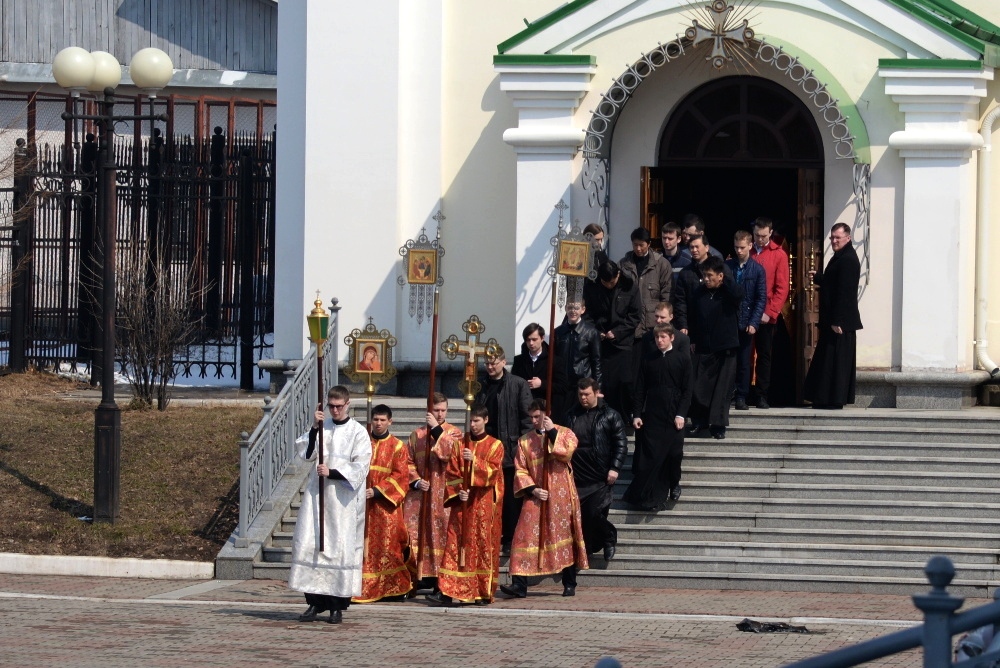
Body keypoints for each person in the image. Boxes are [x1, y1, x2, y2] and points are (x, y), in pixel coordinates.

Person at [288, 385, 371, 624]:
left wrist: (333, 472)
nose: (334, 410)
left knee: (339, 549)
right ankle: (314, 603)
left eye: (339, 406)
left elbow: (361, 466)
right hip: (318, 497)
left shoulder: (357, 432)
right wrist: (315, 427)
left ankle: (336, 607)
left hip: (342, 502)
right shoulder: (323, 427)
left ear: (347, 404)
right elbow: (306, 454)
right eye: (331, 406)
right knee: (313, 545)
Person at [500, 400, 589, 598]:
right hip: (536, 495)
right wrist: (533, 489)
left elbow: (567, 453)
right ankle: (519, 585)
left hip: (561, 495)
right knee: (522, 536)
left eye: (537, 416)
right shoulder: (525, 441)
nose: (533, 421)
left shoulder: (565, 432)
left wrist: (552, 433)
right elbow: (521, 469)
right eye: (531, 417)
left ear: (546, 413)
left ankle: (569, 583)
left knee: (563, 536)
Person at [428, 405, 504, 606]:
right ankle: (447, 591)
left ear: (485, 420)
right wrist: (458, 491)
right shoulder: (459, 445)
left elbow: (493, 473)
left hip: (483, 504)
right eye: (470, 421)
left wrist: (475, 461)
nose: (473, 425)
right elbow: (452, 472)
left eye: (477, 421)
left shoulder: (495, 445)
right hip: (462, 503)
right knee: (454, 544)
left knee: (481, 545)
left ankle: (481, 591)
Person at [623, 323, 692, 510]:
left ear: (672, 338)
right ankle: (648, 497)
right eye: (657, 338)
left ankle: (674, 483)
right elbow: (640, 389)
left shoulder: (683, 359)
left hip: (674, 414)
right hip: (653, 413)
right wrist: (637, 414)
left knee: (674, 453)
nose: (659, 341)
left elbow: (687, 391)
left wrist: (681, 415)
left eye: (663, 337)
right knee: (652, 456)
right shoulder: (648, 359)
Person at [354, 404, 412, 603]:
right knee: (363, 547)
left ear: (390, 422)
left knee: (389, 546)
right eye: (375, 420)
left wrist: (377, 491)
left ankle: (394, 588)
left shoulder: (398, 446)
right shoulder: (362, 443)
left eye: (382, 420)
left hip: (386, 506)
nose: (378, 423)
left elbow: (401, 476)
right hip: (362, 505)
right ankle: (362, 585)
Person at [404, 392, 462, 593]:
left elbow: (452, 454)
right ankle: (422, 574)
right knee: (418, 534)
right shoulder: (416, 435)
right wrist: (416, 481)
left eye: (443, 410)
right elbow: (407, 462)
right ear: (429, 410)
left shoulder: (454, 432)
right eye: (436, 410)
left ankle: (441, 577)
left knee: (441, 534)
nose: (440, 414)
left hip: (443, 493)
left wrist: (437, 430)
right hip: (421, 494)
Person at [565, 378, 628, 562]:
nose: (583, 398)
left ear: (596, 393)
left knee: (594, 513)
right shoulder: (571, 415)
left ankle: (609, 538)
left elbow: (621, 444)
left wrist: (615, 467)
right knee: (581, 517)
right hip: (577, 476)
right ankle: (589, 549)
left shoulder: (610, 415)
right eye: (580, 394)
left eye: (587, 394)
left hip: (600, 476)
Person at [475, 350, 533, 551]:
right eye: (487, 363)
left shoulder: (518, 384)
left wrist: (522, 447)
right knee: (487, 495)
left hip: (509, 448)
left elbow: (527, 418)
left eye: (494, 363)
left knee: (509, 497)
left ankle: (509, 537)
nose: (490, 367)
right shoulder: (480, 385)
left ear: (503, 362)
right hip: (485, 448)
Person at [803, 223, 863, 409]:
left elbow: (844, 293)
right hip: (833, 321)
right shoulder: (840, 257)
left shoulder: (848, 260)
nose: (834, 241)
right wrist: (819, 277)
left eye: (838, 237)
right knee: (828, 361)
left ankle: (834, 399)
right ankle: (824, 398)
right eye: (832, 237)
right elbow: (833, 283)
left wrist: (838, 320)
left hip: (840, 322)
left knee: (836, 362)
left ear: (848, 238)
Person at [687, 256, 743, 439]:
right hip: (704, 346)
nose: (706, 279)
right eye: (704, 275)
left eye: (710, 275)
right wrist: (693, 338)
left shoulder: (729, 291)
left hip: (725, 346)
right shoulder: (699, 292)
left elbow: (739, 295)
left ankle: (718, 425)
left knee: (722, 389)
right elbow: (693, 316)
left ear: (720, 276)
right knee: (699, 386)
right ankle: (700, 421)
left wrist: (726, 279)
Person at [583, 259, 642, 421]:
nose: (609, 285)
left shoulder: (629, 286)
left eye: (612, 282)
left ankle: (623, 417)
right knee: (604, 383)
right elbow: (587, 314)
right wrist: (596, 332)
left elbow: (635, 315)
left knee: (624, 382)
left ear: (618, 275)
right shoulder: (592, 286)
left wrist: (617, 332)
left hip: (622, 343)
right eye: (605, 282)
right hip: (600, 342)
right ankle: (602, 416)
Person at [750, 217, 790, 409]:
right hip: (747, 313)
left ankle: (761, 395)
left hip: (766, 315)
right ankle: (741, 393)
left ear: (770, 233)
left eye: (763, 236)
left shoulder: (778, 254)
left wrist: (770, 311)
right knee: (744, 354)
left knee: (764, 356)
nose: (760, 239)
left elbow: (782, 288)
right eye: (757, 235)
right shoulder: (747, 251)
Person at [726, 230, 767, 411]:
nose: (739, 251)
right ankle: (727, 394)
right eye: (736, 247)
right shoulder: (728, 266)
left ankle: (742, 395)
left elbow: (760, 298)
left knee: (744, 361)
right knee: (728, 360)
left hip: (746, 320)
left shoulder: (757, 269)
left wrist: (754, 322)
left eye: (742, 247)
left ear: (750, 246)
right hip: (729, 320)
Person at [552, 300, 602, 424]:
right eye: (570, 307)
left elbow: (596, 361)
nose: (573, 311)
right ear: (565, 309)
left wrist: (598, 387)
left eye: (576, 308)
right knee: (561, 419)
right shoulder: (558, 332)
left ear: (583, 310)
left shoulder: (591, 332)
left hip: (582, 382)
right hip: (563, 384)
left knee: (581, 419)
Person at [619, 227, 673, 337]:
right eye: (635, 245)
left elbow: (666, 295)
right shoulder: (623, 265)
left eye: (641, 245)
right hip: (628, 326)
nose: (638, 249)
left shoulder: (661, 264)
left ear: (649, 244)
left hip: (652, 326)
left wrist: (663, 321)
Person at [672, 234, 716, 335]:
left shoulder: (718, 268)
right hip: (693, 325)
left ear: (706, 247)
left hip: (714, 324)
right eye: (691, 247)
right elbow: (680, 301)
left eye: (697, 247)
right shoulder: (685, 273)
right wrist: (683, 325)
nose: (694, 250)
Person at [511, 323, 551, 401]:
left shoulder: (553, 360)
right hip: (524, 404)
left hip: (544, 405)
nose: (531, 343)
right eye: (528, 340)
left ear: (542, 338)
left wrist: (542, 384)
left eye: (534, 339)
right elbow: (513, 383)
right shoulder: (519, 361)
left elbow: (562, 386)